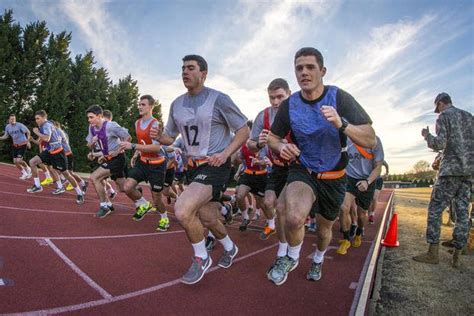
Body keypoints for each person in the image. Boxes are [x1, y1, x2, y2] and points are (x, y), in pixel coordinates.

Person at [267, 47, 375, 285]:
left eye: (310, 67)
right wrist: (281, 147)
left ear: (322, 71)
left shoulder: (339, 98)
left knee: (324, 231)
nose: (304, 72)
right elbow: (273, 138)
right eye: (299, 68)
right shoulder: (290, 105)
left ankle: (318, 258)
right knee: (293, 217)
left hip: (335, 176)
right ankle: (291, 258)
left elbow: (370, 138)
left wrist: (342, 124)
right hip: (303, 169)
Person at [151, 54, 249, 284]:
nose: (185, 72)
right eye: (183, 68)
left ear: (203, 74)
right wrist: (159, 136)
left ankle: (201, 257)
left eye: (191, 68)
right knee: (207, 216)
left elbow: (244, 130)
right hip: (193, 167)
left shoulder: (219, 99)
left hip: (215, 164)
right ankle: (230, 248)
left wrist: (225, 153)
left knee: (183, 209)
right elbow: (169, 137)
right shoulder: (176, 104)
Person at [413, 93, 473, 268]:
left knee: (435, 209)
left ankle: (433, 253)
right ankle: (457, 256)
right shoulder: (469, 117)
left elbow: (439, 144)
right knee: (463, 213)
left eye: (437, 107)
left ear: (440, 103)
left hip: (450, 171)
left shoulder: (444, 116)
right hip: (468, 172)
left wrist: (427, 136)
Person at [247, 78, 292, 248]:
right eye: (272, 97)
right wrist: (259, 143)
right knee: (267, 203)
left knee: (283, 209)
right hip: (276, 168)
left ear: (289, 94)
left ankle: (285, 250)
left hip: (297, 168)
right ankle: (272, 226)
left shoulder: (298, 113)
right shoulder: (263, 116)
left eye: (280, 97)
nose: (275, 102)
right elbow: (250, 145)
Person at [120, 95, 170, 231]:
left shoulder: (155, 124)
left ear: (151, 106)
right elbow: (143, 143)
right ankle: (143, 204)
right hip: (142, 162)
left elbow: (156, 147)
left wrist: (133, 147)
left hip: (157, 165)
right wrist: (137, 154)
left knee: (157, 198)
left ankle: (164, 218)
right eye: (139, 104)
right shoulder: (137, 123)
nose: (140, 107)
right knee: (127, 187)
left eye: (143, 104)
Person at [336, 136, 384, 255]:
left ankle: (359, 232)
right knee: (343, 207)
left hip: (367, 180)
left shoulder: (375, 140)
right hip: (349, 179)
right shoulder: (345, 139)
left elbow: (379, 167)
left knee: (362, 213)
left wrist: (368, 181)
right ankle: (346, 239)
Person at [27, 110, 85, 204]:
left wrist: (36, 132)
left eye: (38, 118)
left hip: (58, 153)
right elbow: (44, 140)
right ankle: (38, 186)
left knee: (67, 174)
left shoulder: (46, 125)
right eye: (35, 119)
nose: (36, 120)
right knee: (32, 162)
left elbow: (47, 138)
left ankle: (79, 193)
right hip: (49, 152)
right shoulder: (45, 125)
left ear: (43, 117)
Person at [86, 105, 131, 218]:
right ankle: (139, 197)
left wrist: (118, 150)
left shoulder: (111, 126)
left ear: (100, 116)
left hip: (118, 158)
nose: (89, 120)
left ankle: (104, 206)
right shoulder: (91, 127)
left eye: (91, 117)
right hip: (107, 158)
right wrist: (92, 143)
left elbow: (128, 137)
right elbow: (89, 144)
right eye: (88, 118)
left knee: (95, 177)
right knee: (123, 188)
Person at [0, 114, 32, 179]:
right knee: (15, 162)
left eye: (14, 119)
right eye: (11, 119)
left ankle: (28, 168)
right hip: (15, 145)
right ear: (9, 120)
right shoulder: (7, 127)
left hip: (23, 144)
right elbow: (6, 136)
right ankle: (24, 173)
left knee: (19, 160)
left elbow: (28, 132)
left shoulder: (20, 125)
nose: (13, 120)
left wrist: (28, 141)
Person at [368, 160, 389, 224]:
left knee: (374, 198)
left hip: (378, 180)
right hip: (369, 179)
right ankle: (369, 214)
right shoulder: (366, 156)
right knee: (369, 199)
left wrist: (387, 173)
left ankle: (372, 214)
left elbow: (386, 164)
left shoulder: (379, 158)